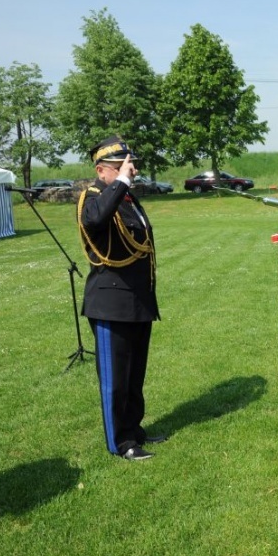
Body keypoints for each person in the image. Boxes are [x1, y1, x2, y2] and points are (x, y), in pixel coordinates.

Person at [77, 136, 166, 461]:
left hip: (138, 300)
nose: (131, 170)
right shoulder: (93, 197)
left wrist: (123, 185)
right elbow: (96, 220)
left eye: (130, 165)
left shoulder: (126, 199)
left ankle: (134, 430)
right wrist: (122, 182)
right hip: (110, 304)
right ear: (101, 170)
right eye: (121, 166)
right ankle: (120, 442)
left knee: (134, 376)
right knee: (115, 379)